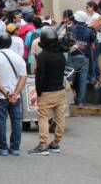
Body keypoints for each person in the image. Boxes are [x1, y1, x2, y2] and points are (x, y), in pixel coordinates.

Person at [0, 34, 27, 156]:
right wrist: (15, 93)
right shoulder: (18, 58)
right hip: (16, 96)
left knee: (1, 120)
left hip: (0, 96)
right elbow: (23, 77)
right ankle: (15, 147)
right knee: (16, 120)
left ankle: (3, 147)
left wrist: (6, 92)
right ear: (10, 43)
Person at [29, 27, 66, 155]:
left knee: (43, 117)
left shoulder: (42, 56)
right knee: (60, 117)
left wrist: (39, 92)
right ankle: (56, 143)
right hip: (60, 90)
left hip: (47, 91)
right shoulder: (61, 55)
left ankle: (43, 144)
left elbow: (39, 77)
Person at [67, 11, 95, 106]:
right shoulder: (89, 31)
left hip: (73, 56)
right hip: (85, 57)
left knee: (70, 79)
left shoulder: (71, 28)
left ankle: (69, 100)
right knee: (83, 80)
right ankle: (81, 101)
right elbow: (92, 45)